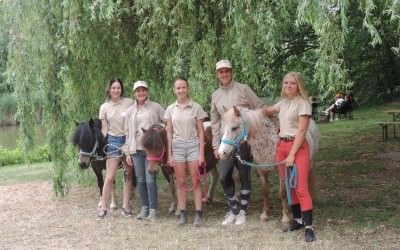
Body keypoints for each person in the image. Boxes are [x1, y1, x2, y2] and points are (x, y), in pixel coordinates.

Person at [262, 72, 316, 242]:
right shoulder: (283, 103)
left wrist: (292, 153)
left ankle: (309, 228)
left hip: (297, 147)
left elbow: (301, 131)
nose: (288, 86)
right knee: (289, 187)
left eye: (292, 83)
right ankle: (298, 221)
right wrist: (250, 111)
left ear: (298, 85)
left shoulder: (303, 104)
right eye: (286, 82)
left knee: (301, 188)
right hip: (282, 146)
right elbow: (267, 111)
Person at [210, 59, 265, 226]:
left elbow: (260, 106)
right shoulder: (215, 95)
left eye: (227, 71)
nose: (224, 74)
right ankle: (232, 209)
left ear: (231, 72)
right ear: (217, 74)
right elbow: (214, 122)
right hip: (225, 142)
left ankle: (242, 211)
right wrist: (215, 144)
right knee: (224, 176)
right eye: (221, 72)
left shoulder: (244, 89)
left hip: (243, 141)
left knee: (244, 175)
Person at [165, 77, 208, 227]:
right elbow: (169, 133)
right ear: (174, 90)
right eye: (178, 88)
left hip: (193, 145)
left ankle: (198, 213)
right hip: (177, 147)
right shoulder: (170, 109)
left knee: (196, 181)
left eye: (183, 87)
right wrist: (169, 154)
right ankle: (183, 213)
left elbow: (201, 132)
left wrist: (201, 153)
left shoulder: (196, 107)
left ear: (188, 88)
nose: (181, 90)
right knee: (180, 182)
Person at [124, 80, 165, 222]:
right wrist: (128, 152)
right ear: (134, 93)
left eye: (143, 90)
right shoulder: (129, 111)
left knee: (150, 180)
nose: (141, 93)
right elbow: (128, 133)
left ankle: (153, 209)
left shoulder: (155, 107)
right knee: (140, 180)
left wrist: (159, 132)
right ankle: (144, 208)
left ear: (147, 92)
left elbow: (166, 122)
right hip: (136, 150)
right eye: (138, 91)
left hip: (151, 150)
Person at [97, 78, 134, 220]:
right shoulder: (104, 107)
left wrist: (130, 143)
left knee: (128, 174)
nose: (116, 90)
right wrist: (101, 141)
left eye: (118, 88)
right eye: (113, 88)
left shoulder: (129, 103)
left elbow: (133, 122)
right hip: (112, 141)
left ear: (121, 89)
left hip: (127, 140)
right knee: (110, 176)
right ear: (109, 89)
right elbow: (105, 128)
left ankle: (125, 206)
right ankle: (104, 208)